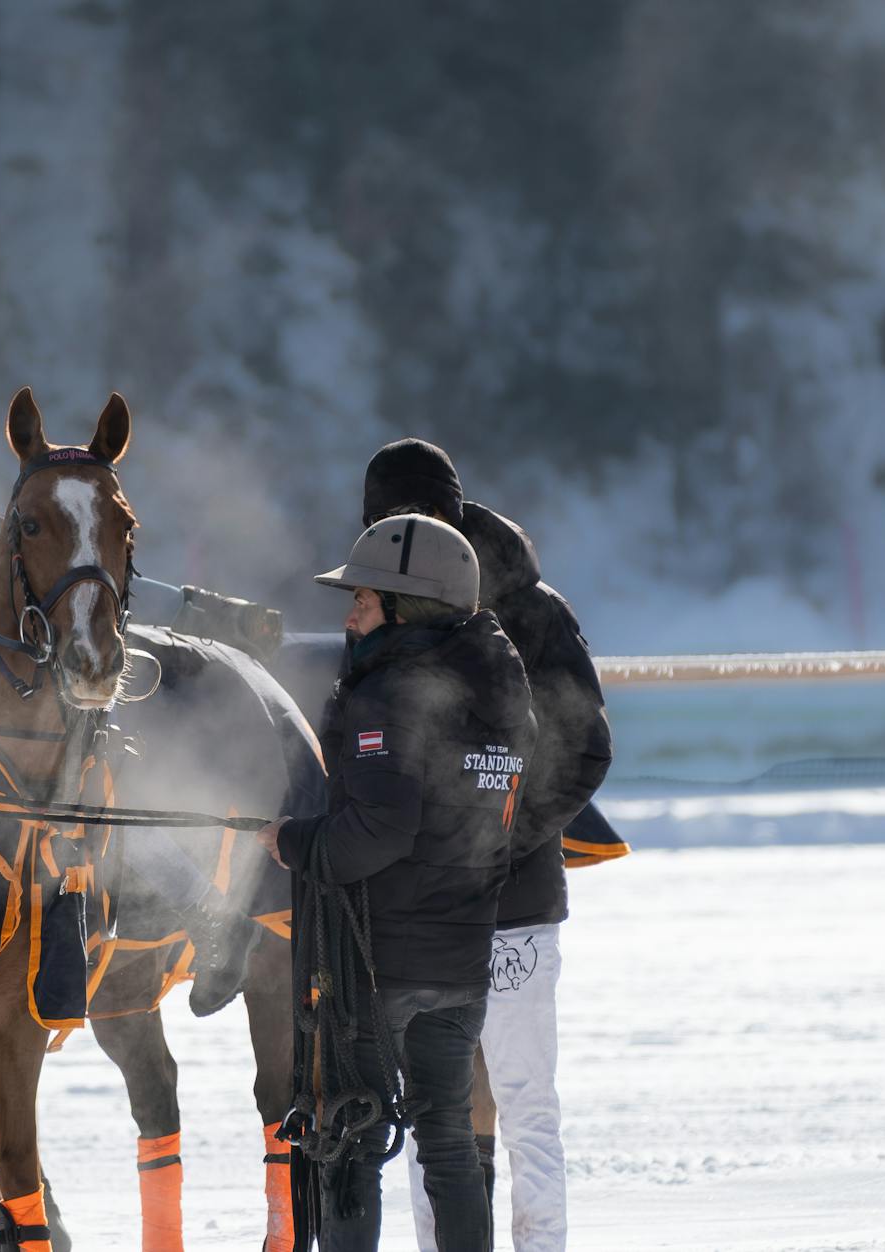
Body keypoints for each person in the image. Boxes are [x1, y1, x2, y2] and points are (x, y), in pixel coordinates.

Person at [257, 513, 536, 1250]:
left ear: (408, 608)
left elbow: (377, 834)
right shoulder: (506, 701)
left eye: (364, 601)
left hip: (380, 967)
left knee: (349, 1136)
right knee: (448, 1139)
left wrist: (292, 842)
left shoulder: (390, 696)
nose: (349, 616)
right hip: (462, 962)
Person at [361, 438, 613, 1252]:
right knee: (436, 1107)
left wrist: (493, 837)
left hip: (513, 895)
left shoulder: (533, 609)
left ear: (452, 515)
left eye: (415, 520)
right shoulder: (384, 605)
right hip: (419, 905)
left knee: (521, 1096)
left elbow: (583, 749)